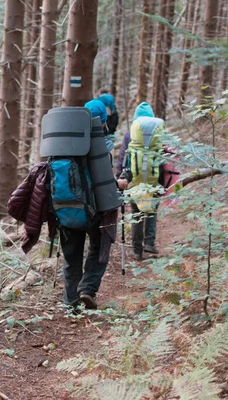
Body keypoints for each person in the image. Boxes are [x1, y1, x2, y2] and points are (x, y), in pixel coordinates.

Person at [58, 99, 127, 310]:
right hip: (94, 209)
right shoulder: (103, 145)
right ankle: (87, 289)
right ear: (102, 122)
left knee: (71, 256)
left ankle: (71, 304)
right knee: (99, 247)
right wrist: (121, 183)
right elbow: (102, 179)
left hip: (66, 207)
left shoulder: (60, 143)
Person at [116, 102, 161, 260]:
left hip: (134, 180)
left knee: (136, 213)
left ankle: (137, 250)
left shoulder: (130, 134)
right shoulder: (157, 133)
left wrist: (120, 177)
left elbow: (123, 157)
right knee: (151, 210)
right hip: (154, 180)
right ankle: (149, 242)